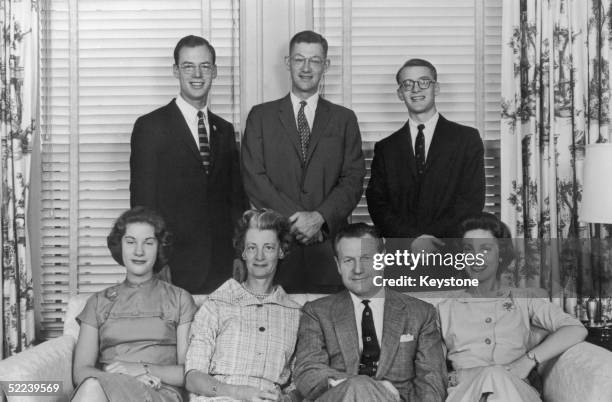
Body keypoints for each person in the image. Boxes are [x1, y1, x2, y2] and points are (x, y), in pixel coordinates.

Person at [241, 30, 366, 293]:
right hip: (277, 250)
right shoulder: (260, 117)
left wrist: (320, 218)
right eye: (299, 59)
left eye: (315, 60)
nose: (306, 68)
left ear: (326, 65)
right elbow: (255, 178)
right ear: (288, 63)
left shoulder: (344, 119)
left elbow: (352, 180)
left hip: (328, 249)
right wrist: (297, 223)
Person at [130, 35, 247, 294]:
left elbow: (235, 201)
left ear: (214, 71)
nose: (197, 74)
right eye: (188, 66)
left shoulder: (224, 130)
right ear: (176, 71)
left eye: (205, 66)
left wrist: (239, 254)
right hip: (173, 266)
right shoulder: (151, 127)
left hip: (222, 267)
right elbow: (142, 204)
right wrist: (156, 259)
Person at [437, 212, 587, 402]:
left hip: (516, 391)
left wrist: (528, 360)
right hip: (466, 393)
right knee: (493, 375)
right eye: (468, 250)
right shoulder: (444, 308)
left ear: (501, 254)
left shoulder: (524, 299)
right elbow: (429, 365)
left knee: (496, 376)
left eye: (485, 249)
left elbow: (575, 329)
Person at [294, 223, 447, 402]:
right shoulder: (317, 312)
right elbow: (308, 372)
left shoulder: (421, 313)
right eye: (348, 260)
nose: (358, 269)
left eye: (366, 258)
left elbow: (432, 381)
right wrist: (364, 386)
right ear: (337, 265)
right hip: (339, 397)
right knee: (359, 386)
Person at [71, 207, 197, 402]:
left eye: (148, 243)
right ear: (119, 246)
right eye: (130, 242)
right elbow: (81, 371)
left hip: (159, 390)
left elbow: (189, 373)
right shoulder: (98, 302)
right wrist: (124, 377)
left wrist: (143, 370)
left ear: (159, 247)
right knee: (90, 387)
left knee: (91, 390)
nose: (139, 251)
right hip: (108, 387)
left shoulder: (180, 299)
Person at [366, 58, 485, 255]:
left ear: (436, 88)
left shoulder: (466, 139)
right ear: (399, 93)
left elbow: (472, 201)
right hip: (403, 257)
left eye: (423, 82)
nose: (416, 89)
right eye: (407, 84)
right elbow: (377, 205)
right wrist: (412, 239)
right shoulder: (386, 148)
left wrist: (431, 239)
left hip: (452, 254)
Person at [185, 209, 302, 402]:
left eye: (269, 247)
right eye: (252, 248)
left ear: (281, 251)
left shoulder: (296, 314)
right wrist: (238, 393)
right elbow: (193, 378)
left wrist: (285, 398)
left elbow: (300, 384)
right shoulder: (216, 305)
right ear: (243, 252)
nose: (259, 257)